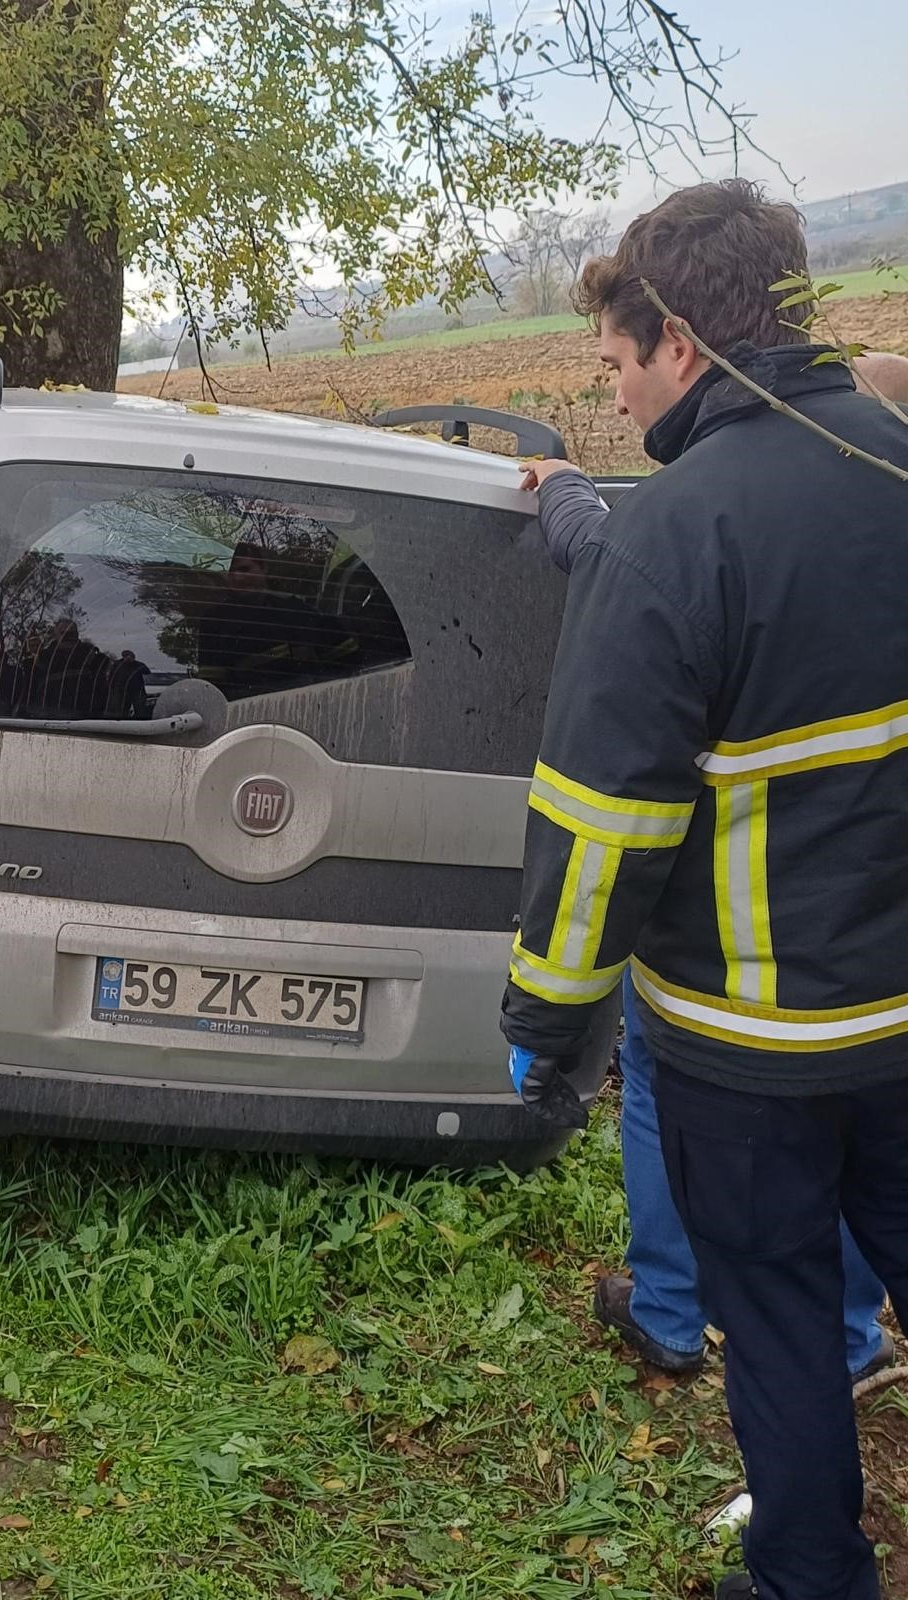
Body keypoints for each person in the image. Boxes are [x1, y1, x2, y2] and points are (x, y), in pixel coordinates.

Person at [502, 179, 908, 1600]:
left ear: (679, 343)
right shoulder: (900, 462)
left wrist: (546, 1024)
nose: (615, 402)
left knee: (785, 1324)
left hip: (752, 1054)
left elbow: (600, 831)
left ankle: (809, 1578)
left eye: (615, 367)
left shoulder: (680, 533)